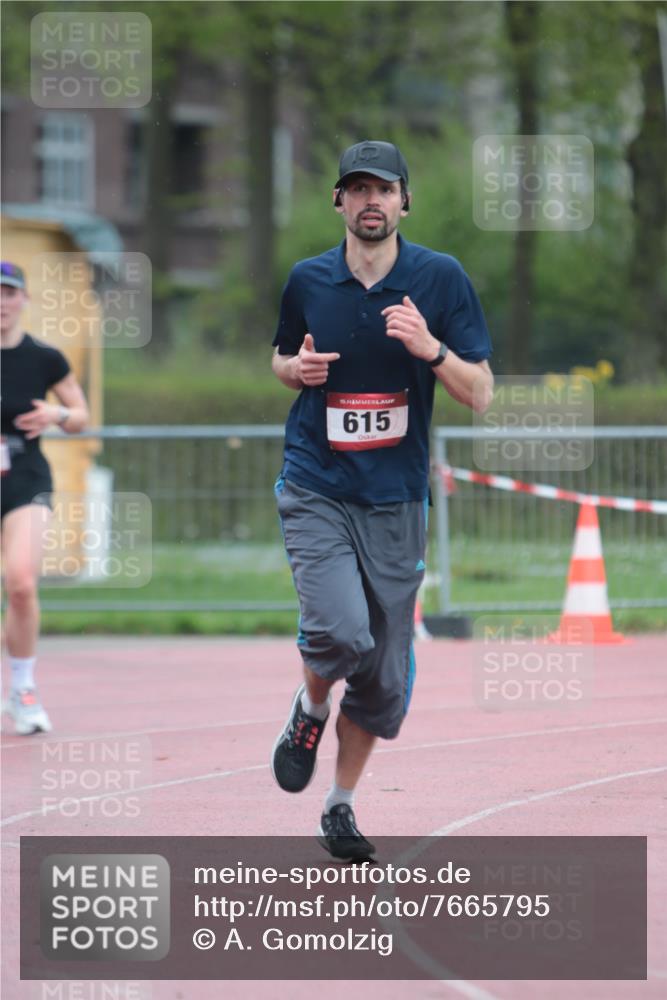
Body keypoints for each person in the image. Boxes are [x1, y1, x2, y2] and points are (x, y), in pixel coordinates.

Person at [270, 141, 493, 861]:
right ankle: (309, 707)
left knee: (381, 679)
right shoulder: (308, 279)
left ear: (404, 201)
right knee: (340, 633)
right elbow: (280, 358)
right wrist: (295, 370)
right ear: (338, 200)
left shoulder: (440, 278)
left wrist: (432, 349)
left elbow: (480, 393)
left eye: (384, 189)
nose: (372, 201)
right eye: (358, 188)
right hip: (317, 484)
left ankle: (338, 805)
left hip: (396, 499)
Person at [1, 261, 90, 734]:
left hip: (25, 476)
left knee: (20, 583)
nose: (1, 302)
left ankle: (23, 688)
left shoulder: (44, 357)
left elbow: (80, 415)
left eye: (9, 292)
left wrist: (57, 414)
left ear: (24, 299)